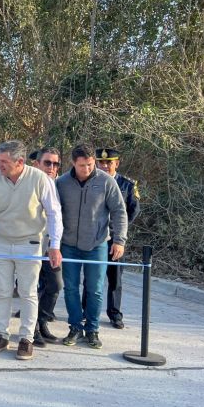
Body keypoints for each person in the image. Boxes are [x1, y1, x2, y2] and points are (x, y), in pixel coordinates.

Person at [0, 140, 63, 361]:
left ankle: (26, 339)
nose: (0, 165)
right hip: (1, 242)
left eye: (4, 161)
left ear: (20, 162)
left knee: (28, 292)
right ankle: (1, 335)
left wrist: (55, 246)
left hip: (30, 243)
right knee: (2, 291)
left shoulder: (39, 179)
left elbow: (54, 213)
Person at [56, 143, 128, 349]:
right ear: (73, 163)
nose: (86, 169)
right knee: (70, 288)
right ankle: (75, 327)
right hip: (68, 245)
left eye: (89, 164)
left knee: (95, 289)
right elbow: (52, 212)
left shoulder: (106, 182)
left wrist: (119, 240)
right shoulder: (61, 183)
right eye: (81, 165)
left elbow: (119, 212)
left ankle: (93, 330)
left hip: (97, 244)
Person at [94, 148, 140, 329]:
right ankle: (86, 311)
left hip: (115, 240)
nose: (104, 166)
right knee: (92, 277)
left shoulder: (127, 185)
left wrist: (119, 230)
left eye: (109, 162)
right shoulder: (91, 181)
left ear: (116, 164)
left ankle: (114, 314)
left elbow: (133, 210)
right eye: (101, 162)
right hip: (95, 238)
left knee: (115, 279)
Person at [34, 146, 64, 345]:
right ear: (37, 164)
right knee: (32, 288)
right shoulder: (29, 183)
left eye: (55, 164)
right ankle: (32, 329)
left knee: (55, 284)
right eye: (47, 162)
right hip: (32, 244)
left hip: (52, 245)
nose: (51, 167)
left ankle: (42, 321)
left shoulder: (60, 185)